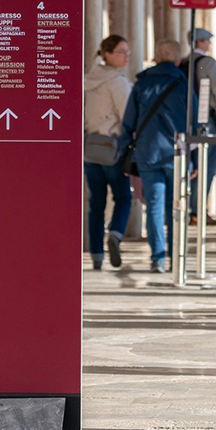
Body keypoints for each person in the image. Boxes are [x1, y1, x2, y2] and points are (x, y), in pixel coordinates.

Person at [118, 39, 188, 272]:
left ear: (156, 57)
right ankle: (176, 256)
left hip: (148, 152)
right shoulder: (183, 84)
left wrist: (124, 155)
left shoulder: (142, 84)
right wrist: (195, 159)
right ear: (178, 59)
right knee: (175, 207)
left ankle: (158, 257)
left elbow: (128, 123)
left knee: (154, 207)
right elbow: (194, 124)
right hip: (176, 154)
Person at [83, 35, 133, 269]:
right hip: (112, 148)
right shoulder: (117, 82)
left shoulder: (88, 80)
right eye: (121, 51)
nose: (126, 56)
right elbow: (128, 116)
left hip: (90, 148)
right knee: (123, 197)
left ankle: (96, 255)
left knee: (96, 203)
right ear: (108, 54)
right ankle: (115, 233)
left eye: (127, 51)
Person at [182, 27, 216, 220]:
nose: (209, 44)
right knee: (207, 166)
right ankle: (198, 211)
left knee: (190, 165)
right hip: (207, 120)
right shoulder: (208, 63)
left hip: (186, 120)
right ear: (199, 42)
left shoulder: (183, 63)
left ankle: (189, 209)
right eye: (207, 41)